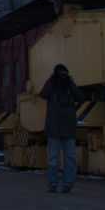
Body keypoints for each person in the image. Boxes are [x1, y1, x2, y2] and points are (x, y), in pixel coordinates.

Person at [39, 63, 84, 193]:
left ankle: (56, 183)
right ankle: (64, 183)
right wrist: (53, 81)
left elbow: (80, 97)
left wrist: (69, 82)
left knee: (56, 157)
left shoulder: (68, 85)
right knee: (68, 157)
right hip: (66, 127)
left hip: (56, 127)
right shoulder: (53, 84)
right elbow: (43, 94)